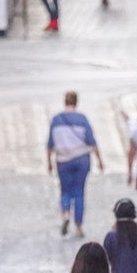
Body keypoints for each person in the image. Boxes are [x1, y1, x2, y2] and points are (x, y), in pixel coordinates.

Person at [47, 91, 103, 236]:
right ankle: (78, 225)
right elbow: (91, 141)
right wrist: (99, 160)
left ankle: (66, 214)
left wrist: (49, 162)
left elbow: (50, 144)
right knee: (79, 192)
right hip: (81, 158)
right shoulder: (82, 119)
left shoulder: (56, 120)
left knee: (65, 190)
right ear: (76, 102)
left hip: (63, 159)